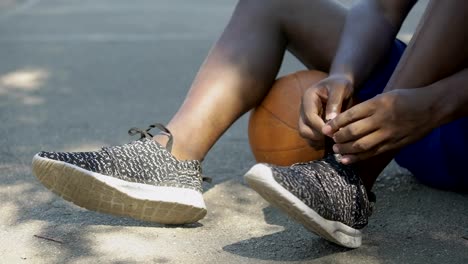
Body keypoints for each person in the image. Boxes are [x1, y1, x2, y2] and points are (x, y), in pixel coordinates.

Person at [32, 0, 468, 248]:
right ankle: (172, 158)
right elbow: (380, 6)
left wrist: (429, 104)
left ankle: (349, 180)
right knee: (274, 2)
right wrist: (344, 73)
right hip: (405, 111)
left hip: (441, 114)